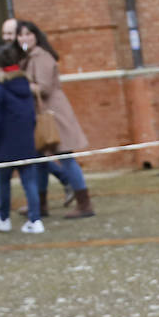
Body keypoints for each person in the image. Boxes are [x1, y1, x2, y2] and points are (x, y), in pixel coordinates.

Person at [15, 20, 95, 219]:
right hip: (41, 113)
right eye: (21, 35)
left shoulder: (41, 57)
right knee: (40, 160)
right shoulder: (27, 58)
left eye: (28, 34)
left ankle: (84, 203)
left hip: (53, 114)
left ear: (36, 35)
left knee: (66, 158)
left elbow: (43, 88)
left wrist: (18, 82)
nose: (24, 38)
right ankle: (40, 204)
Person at [0, 41, 44, 234]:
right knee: (29, 183)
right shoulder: (24, 84)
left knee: (4, 182)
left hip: (5, 144)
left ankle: (3, 217)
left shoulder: (0, 89)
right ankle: (36, 219)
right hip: (25, 142)